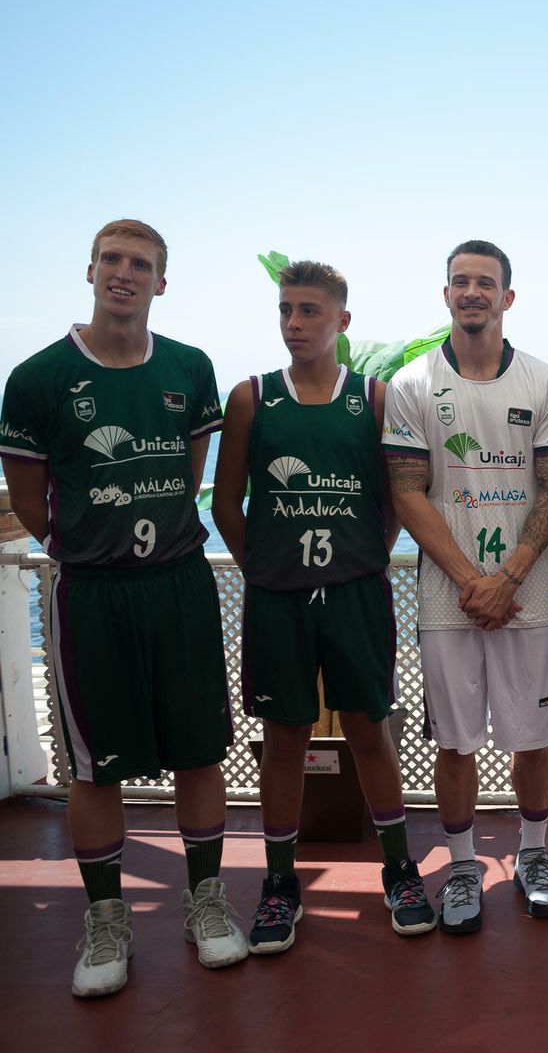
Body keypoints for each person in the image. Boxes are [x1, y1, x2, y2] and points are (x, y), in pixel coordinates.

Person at [0, 219, 247, 997]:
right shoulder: (36, 379)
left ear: (161, 282)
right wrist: (96, 543)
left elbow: (187, 472)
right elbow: (33, 505)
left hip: (178, 582)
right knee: (94, 765)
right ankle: (107, 918)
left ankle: (204, 901)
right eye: (112, 259)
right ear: (90, 270)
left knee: (198, 749)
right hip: (94, 594)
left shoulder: (188, 367)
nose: (124, 273)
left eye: (141, 263)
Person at [213, 260, 436, 952]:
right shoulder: (252, 398)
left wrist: (361, 556)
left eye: (310, 311)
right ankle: (280, 882)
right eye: (286, 309)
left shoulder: (371, 398)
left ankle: (399, 868)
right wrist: (267, 568)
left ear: (342, 321)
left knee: (370, 728)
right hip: (278, 598)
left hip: (356, 593)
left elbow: (396, 497)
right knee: (284, 740)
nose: (294, 323)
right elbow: (225, 504)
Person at [382, 240, 548, 932]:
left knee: (532, 738)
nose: (472, 292)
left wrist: (509, 577)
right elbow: (407, 492)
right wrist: (472, 580)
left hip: (528, 593)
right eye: (460, 282)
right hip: (448, 596)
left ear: (507, 297)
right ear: (446, 295)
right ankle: (463, 867)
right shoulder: (411, 385)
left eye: (485, 282)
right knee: (455, 741)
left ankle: (532, 857)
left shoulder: (545, 382)